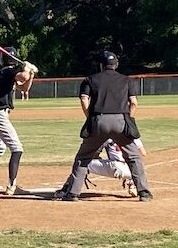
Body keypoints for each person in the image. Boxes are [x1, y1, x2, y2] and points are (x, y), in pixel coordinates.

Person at [54, 51, 153, 202]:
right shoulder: (126, 80)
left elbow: (84, 99)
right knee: (133, 158)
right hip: (121, 120)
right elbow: (133, 102)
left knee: (83, 158)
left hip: (98, 120)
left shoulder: (90, 79)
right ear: (116, 65)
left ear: (101, 65)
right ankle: (144, 193)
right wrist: (128, 119)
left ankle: (73, 194)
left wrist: (90, 118)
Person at [0, 46, 39, 195]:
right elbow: (22, 77)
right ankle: (12, 186)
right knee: (17, 149)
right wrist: (26, 68)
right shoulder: (7, 72)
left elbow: (23, 88)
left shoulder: (4, 73)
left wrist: (30, 74)